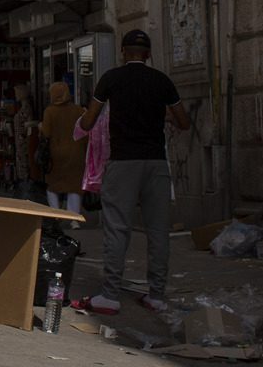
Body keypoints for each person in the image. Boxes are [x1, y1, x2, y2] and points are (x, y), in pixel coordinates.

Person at [71, 29, 190, 316]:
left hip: (123, 162)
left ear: (123, 52)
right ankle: (157, 295)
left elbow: (88, 122)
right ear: (148, 54)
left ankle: (110, 295)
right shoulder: (162, 81)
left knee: (117, 228)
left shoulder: (111, 79)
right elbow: (184, 122)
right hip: (156, 163)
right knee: (158, 230)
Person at [40, 82, 87, 223]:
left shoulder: (50, 111)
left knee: (53, 186)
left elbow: (46, 133)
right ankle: (74, 219)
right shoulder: (78, 110)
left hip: (56, 154)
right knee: (74, 187)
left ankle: (56, 215)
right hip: (76, 153)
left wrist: (40, 127)